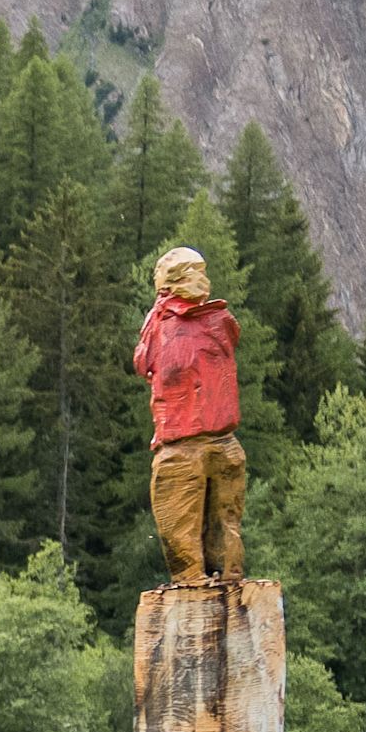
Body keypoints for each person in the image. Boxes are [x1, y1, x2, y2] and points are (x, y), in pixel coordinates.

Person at [132, 249, 245, 584]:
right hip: (194, 440)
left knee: (209, 524)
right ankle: (205, 577)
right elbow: (143, 362)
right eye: (196, 271)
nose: (203, 279)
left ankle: (215, 575)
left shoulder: (208, 319)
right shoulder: (183, 321)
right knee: (198, 525)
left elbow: (142, 362)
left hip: (203, 439)